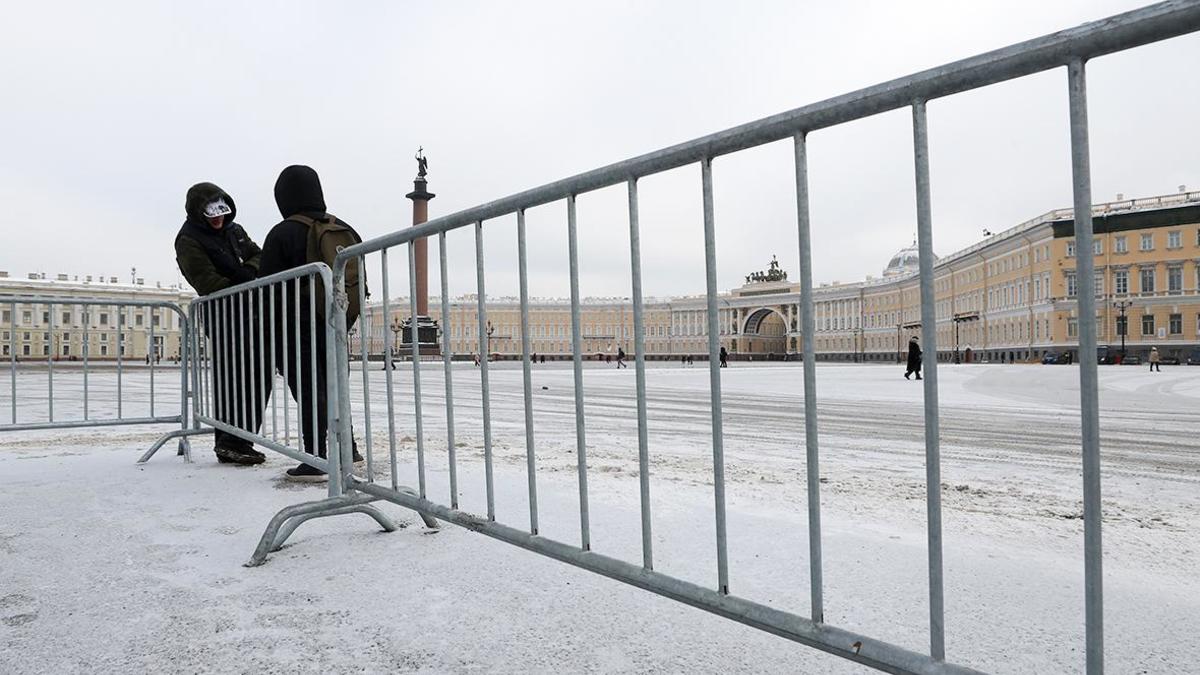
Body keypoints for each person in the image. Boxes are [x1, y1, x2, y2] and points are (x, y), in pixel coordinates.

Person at [260, 165, 363, 481]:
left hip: (297, 324)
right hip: (336, 321)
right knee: (336, 388)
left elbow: (267, 286)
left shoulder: (283, 232)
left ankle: (315, 456)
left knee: (308, 389)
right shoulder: (343, 227)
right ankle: (349, 449)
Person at [174, 182, 266, 465]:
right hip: (223, 316)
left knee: (258, 378)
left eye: (221, 213)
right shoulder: (187, 239)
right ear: (198, 212)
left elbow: (259, 254)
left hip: (251, 313)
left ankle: (242, 440)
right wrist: (239, 282)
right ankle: (229, 442)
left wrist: (248, 271)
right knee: (233, 380)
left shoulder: (234, 230)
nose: (218, 219)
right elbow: (205, 281)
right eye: (212, 215)